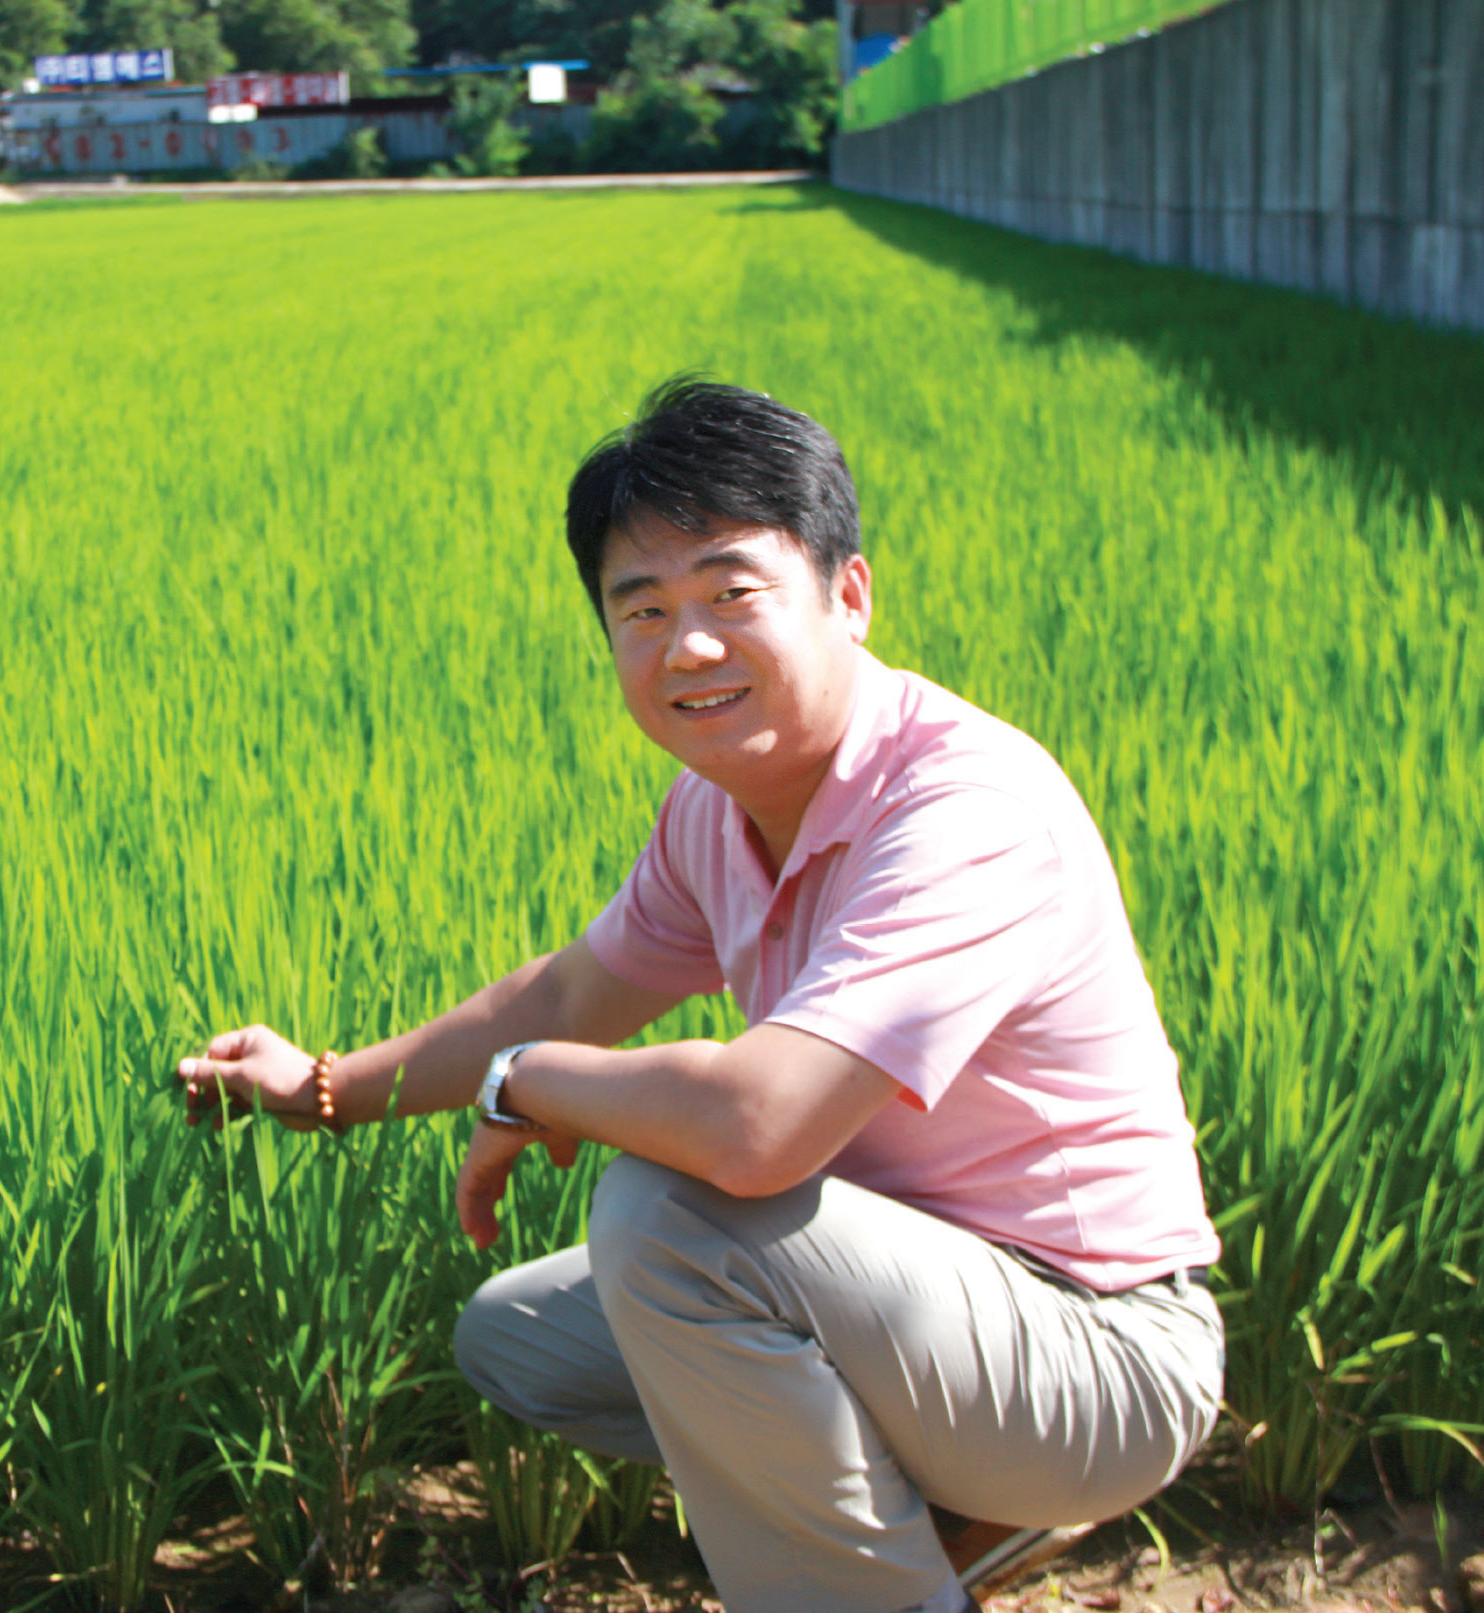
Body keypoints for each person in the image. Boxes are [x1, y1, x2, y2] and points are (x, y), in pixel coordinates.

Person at [177, 378, 1225, 1613]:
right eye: (645, 608)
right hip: (915, 1307)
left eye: (733, 594)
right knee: (520, 1335)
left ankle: (879, 1586)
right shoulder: (717, 814)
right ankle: (932, 1543)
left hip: (1098, 1353)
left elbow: (755, 1126)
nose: (690, 646)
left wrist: (531, 1085)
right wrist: (325, 1088)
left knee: (668, 1221)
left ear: (850, 594)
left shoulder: (964, 808)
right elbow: (574, 988)